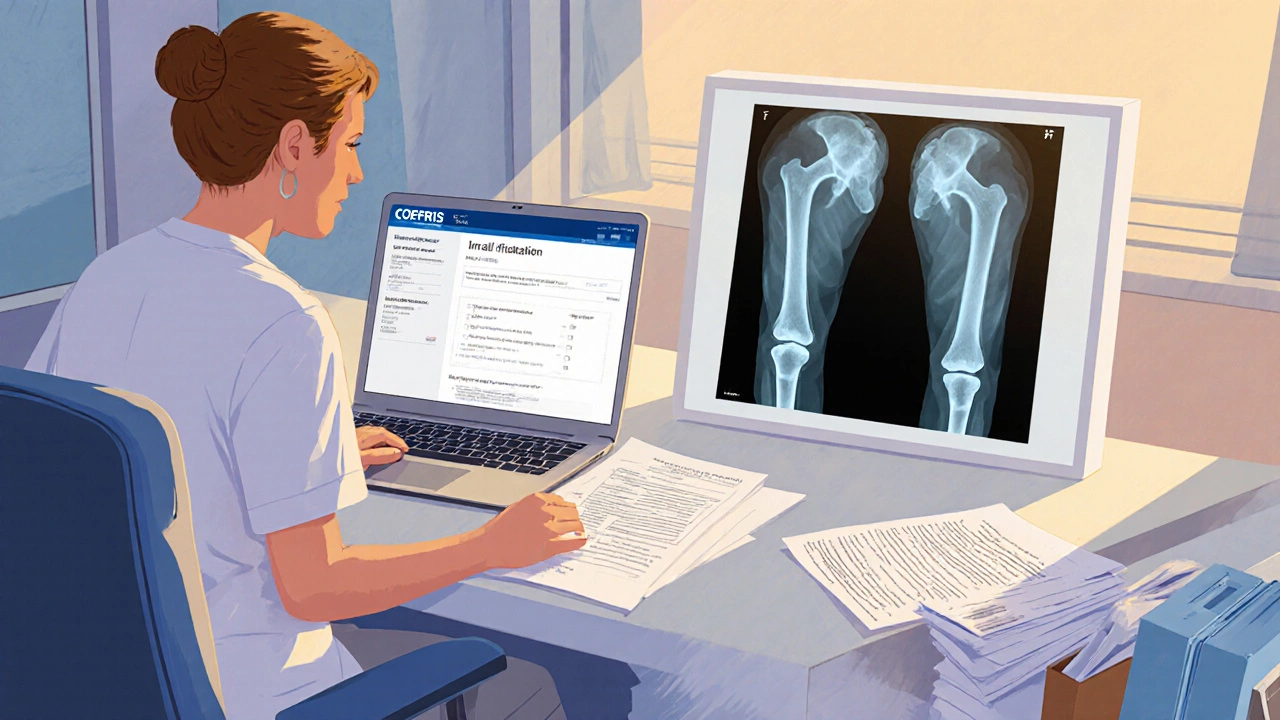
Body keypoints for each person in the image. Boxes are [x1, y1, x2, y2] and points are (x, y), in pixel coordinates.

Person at [25, 12, 586, 720]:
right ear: (295, 145)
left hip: (113, 684)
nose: (355, 171)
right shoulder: (285, 322)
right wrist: (490, 543)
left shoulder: (108, 277)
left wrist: (295, 461)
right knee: (525, 683)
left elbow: (99, 466)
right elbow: (313, 587)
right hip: (253, 694)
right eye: (350, 143)